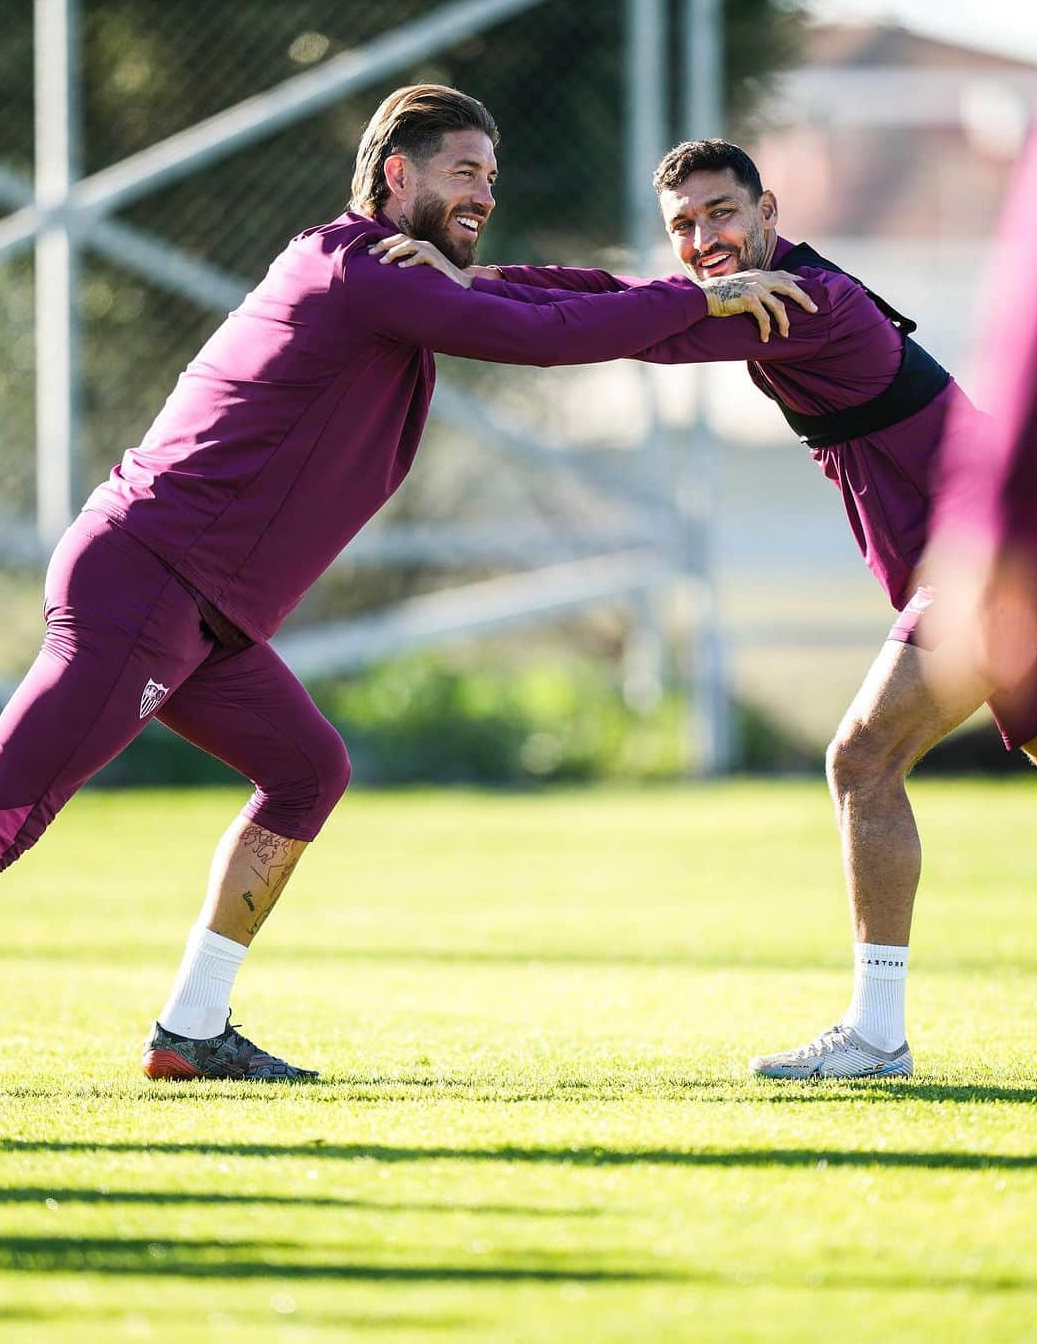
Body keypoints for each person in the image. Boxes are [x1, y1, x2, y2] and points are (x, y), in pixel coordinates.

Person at [0, 93, 812, 1082]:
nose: (484, 193)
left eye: (491, 177)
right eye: (463, 172)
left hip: (202, 612)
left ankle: (190, 1029)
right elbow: (532, 335)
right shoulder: (358, 270)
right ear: (395, 174)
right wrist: (697, 300)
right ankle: (187, 1029)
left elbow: (531, 298)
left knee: (308, 770)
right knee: (0, 817)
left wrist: (685, 294)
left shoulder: (397, 273)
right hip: (149, 581)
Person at [377, 136, 1000, 1080]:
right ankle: (878, 1036)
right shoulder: (754, 290)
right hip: (980, 554)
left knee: (862, 760)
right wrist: (480, 275)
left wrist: (461, 292)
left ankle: (877, 1037)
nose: (705, 240)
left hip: (997, 554)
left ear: (769, 214)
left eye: (722, 214)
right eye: (684, 226)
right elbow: (620, 294)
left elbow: (632, 326)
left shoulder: (796, 301)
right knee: (878, 763)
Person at [922, 130, 1037, 703]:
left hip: (948, 529)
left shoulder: (816, 293)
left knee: (861, 754)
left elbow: (1024, 338)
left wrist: (991, 526)